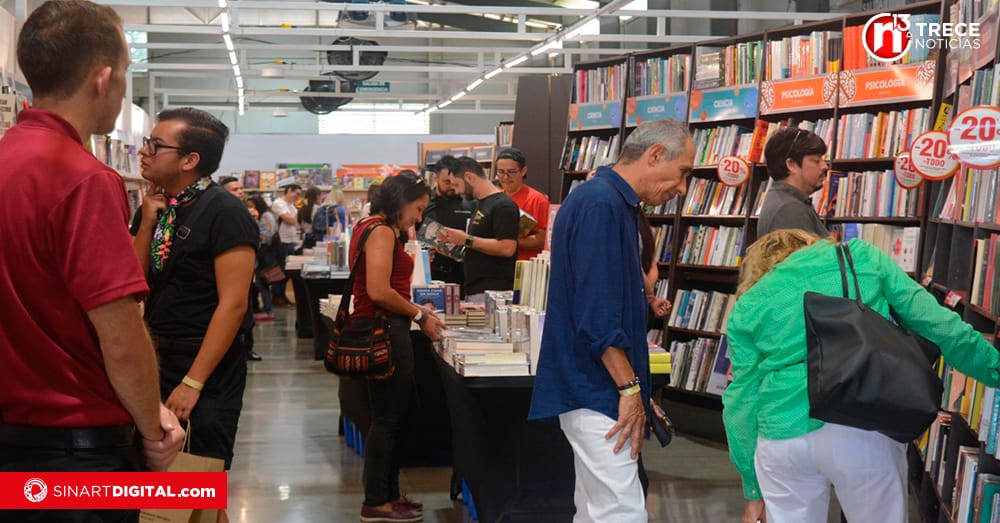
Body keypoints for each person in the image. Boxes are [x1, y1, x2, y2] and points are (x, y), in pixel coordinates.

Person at [0, 1, 185, 521]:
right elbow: (121, 335)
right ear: (103, 78)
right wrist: (152, 428)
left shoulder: (7, 160)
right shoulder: (85, 180)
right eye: (126, 71)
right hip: (74, 454)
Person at [723, 229, 1000, 523]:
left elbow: (740, 402)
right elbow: (941, 326)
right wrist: (994, 368)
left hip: (781, 437)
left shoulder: (748, 306)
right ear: (809, 243)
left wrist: (753, 490)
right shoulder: (859, 257)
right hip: (859, 420)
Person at [529, 119, 695, 522]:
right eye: (683, 172)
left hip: (595, 387)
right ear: (656, 154)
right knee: (622, 511)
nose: (682, 188)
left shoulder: (608, 202)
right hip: (597, 388)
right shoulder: (601, 204)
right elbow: (597, 314)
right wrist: (629, 390)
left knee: (595, 508)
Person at [131, 108, 258, 523]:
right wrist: (147, 223)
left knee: (199, 473)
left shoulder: (225, 212)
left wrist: (193, 381)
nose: (144, 152)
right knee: (176, 486)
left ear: (190, 160)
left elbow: (234, 304)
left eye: (155, 145)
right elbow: (134, 282)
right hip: (156, 361)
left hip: (204, 367)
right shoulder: (158, 206)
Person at [350, 172, 445, 522]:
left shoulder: (371, 226)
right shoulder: (381, 231)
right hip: (385, 330)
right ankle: (377, 501)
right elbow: (378, 290)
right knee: (389, 419)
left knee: (395, 416)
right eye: (418, 209)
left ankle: (387, 495)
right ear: (402, 201)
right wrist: (419, 314)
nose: (419, 218)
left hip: (385, 327)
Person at [438, 156, 520, 297]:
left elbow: (507, 248)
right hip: (476, 288)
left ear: (469, 177)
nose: (456, 191)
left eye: (457, 184)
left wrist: (466, 239)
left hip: (494, 290)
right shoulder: (480, 204)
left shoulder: (503, 205)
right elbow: (481, 244)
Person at [757, 127, 830, 238]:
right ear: (791, 165)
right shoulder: (788, 210)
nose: (824, 166)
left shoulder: (787, 201)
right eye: (816, 161)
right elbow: (806, 255)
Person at [423, 155, 474, 285]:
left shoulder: (470, 204)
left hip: (463, 273)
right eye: (447, 182)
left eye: (454, 182)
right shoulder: (425, 203)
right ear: (435, 178)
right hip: (433, 273)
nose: (451, 186)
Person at [496, 147, 551, 261]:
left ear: (523, 171)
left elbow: (544, 240)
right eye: (501, 172)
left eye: (511, 172)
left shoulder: (537, 200)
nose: (506, 177)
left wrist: (509, 242)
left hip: (524, 267)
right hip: (499, 266)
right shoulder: (495, 198)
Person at [270, 184, 302, 304]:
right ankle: (277, 296)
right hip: (281, 242)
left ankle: (282, 295)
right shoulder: (279, 203)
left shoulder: (291, 206)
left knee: (289, 271)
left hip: (292, 241)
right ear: (289, 191)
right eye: (296, 194)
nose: (297, 197)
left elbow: (296, 221)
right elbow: (291, 220)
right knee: (281, 271)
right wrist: (296, 218)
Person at [250, 196, 278, 323]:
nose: (251, 209)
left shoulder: (266, 216)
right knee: (260, 284)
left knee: (263, 283)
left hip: (265, 255)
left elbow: (267, 236)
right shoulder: (263, 215)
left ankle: (268, 310)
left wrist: (254, 221)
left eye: (252, 206)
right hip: (261, 255)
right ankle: (264, 309)